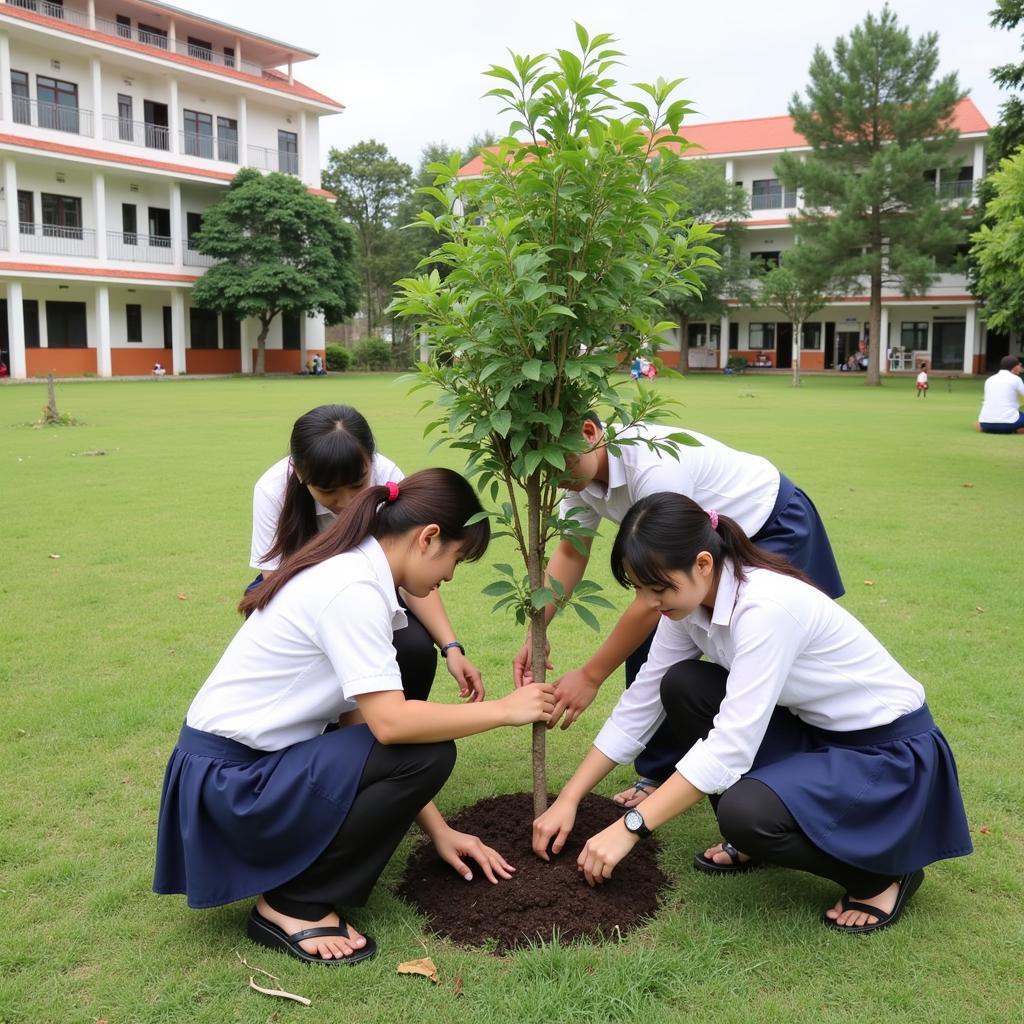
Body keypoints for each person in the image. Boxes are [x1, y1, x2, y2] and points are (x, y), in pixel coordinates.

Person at [155, 469, 556, 964]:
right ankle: (290, 902)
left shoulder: (353, 572)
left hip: (239, 772)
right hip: (231, 787)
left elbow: (361, 728)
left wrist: (439, 830)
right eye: (455, 559)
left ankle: (296, 883)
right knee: (426, 751)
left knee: (417, 750)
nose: (449, 577)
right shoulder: (351, 590)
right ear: (428, 538)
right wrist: (503, 711)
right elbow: (390, 727)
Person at [532, 493, 972, 934]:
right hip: (816, 732)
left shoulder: (765, 609)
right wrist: (569, 798)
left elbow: (730, 749)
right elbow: (641, 702)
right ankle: (756, 842)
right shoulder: (688, 605)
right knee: (682, 685)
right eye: (640, 588)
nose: (649, 602)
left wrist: (629, 827)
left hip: (885, 754)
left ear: (703, 563)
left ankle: (880, 876)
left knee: (746, 814)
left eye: (659, 587)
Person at [513, 413, 844, 808]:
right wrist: (538, 630)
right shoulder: (575, 479)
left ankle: (782, 777)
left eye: (557, 466)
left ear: (588, 433)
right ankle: (661, 769)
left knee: (755, 655)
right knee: (653, 650)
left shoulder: (652, 466)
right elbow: (571, 550)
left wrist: (590, 675)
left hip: (769, 522)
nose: (553, 480)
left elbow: (657, 591)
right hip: (690, 558)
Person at [250, 404, 484, 704]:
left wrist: (451, 646)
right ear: (298, 473)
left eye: (358, 484)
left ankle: (397, 736)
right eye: (327, 489)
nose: (346, 501)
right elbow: (277, 586)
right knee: (321, 662)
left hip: (369, 592)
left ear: (370, 462)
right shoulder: (272, 490)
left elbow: (413, 567)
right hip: (294, 599)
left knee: (415, 648)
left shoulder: (388, 476)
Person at [976, 354, 1024, 434]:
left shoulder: (989, 380)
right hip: (1009, 423)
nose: (1020, 368)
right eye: (1019, 366)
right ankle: (1015, 429)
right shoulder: (1016, 379)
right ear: (1014, 367)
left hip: (985, 424)